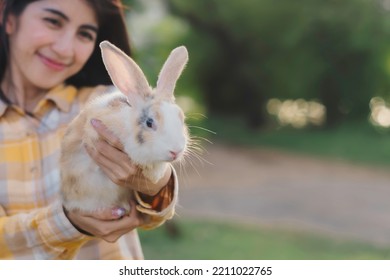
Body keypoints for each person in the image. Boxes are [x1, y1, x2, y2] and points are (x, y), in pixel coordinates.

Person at [0, 0, 178, 259]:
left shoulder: (109, 104)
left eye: (84, 34)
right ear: (8, 18)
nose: (64, 49)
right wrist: (68, 223)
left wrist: (155, 182)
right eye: (53, 21)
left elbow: (155, 212)